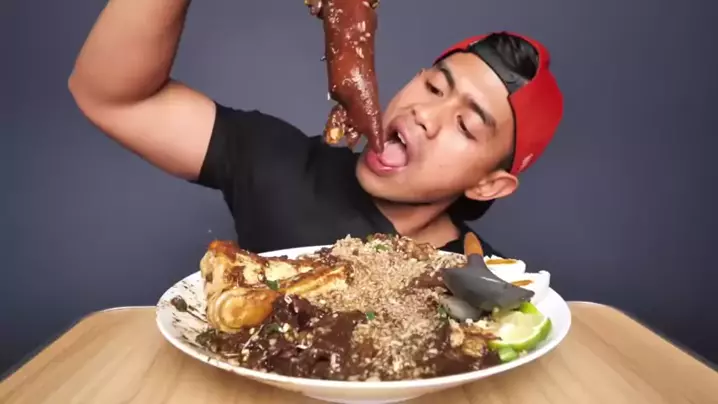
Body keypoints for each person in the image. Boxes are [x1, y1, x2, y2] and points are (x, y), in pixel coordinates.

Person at [68, 0, 563, 257]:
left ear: (490, 184)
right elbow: (114, 97)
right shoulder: (279, 163)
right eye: (434, 87)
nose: (425, 115)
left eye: (465, 125)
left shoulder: (492, 286)